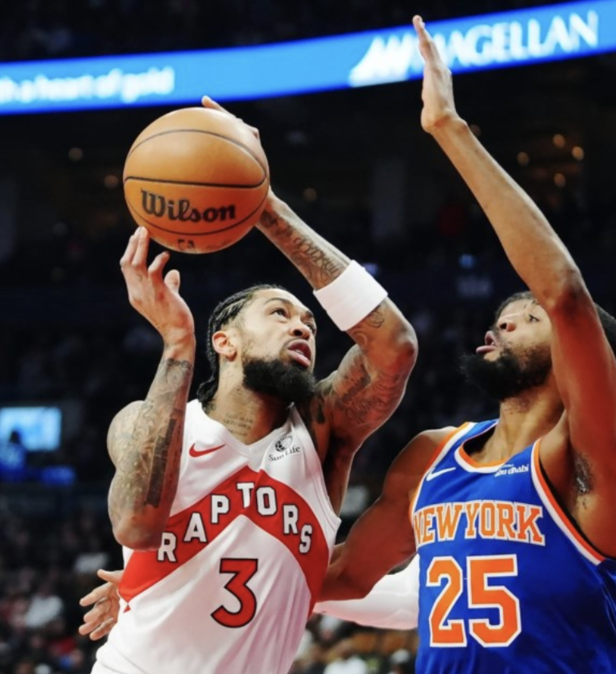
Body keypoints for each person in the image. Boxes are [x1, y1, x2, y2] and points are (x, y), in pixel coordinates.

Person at [318, 16, 616, 674]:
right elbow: (342, 575)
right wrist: (179, 576)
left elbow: (565, 293)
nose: (500, 326)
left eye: (526, 317)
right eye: (501, 318)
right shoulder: (431, 455)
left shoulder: (584, 454)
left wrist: (449, 131)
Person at [91, 98, 418, 674]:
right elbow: (136, 525)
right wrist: (176, 346)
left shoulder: (322, 434)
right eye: (278, 313)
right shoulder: (142, 421)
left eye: (309, 322)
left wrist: (262, 204)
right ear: (225, 341)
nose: (301, 326)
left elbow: (394, 347)